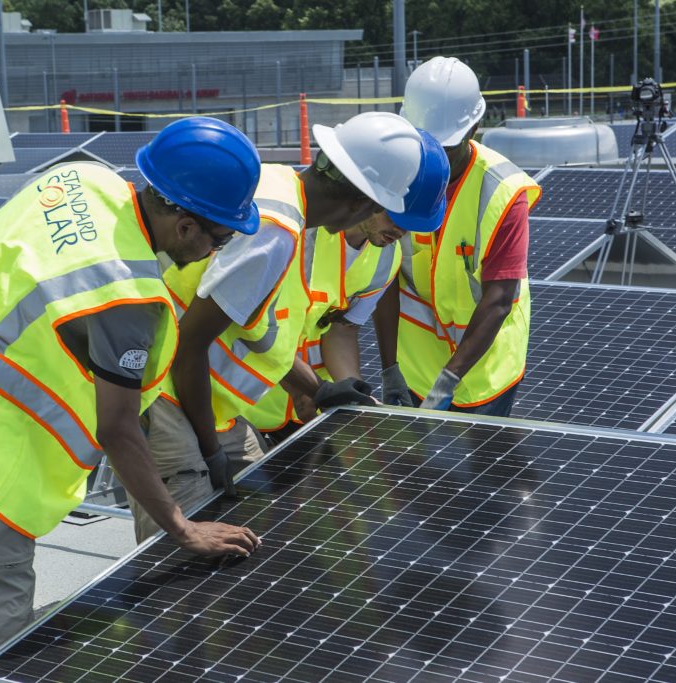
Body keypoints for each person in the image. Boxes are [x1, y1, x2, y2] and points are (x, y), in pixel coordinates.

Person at [0, 117, 264, 683]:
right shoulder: (126, 293)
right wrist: (179, 526)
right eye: (219, 238)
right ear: (185, 226)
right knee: (2, 621)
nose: (215, 252)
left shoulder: (80, 182)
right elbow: (118, 428)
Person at [128, 112, 426, 541]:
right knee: (190, 551)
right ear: (364, 202)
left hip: (209, 401)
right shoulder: (276, 231)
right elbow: (190, 346)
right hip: (168, 397)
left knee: (253, 524)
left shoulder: (282, 192)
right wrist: (212, 453)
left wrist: (318, 389)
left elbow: (255, 329)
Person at [243, 130, 451, 437]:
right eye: (398, 219)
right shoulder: (294, 230)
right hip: (246, 401)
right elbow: (247, 320)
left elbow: (342, 329)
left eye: (411, 227)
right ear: (372, 198)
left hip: (308, 406)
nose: (402, 234)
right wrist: (309, 389)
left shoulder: (385, 257)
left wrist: (354, 399)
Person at [375, 56, 541, 417]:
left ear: (474, 128)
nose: (433, 156)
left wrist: (448, 380)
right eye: (424, 142)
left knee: (486, 471)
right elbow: (384, 276)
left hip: (485, 366)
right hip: (414, 362)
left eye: (445, 145)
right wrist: (389, 368)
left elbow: (498, 300)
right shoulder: (397, 174)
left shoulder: (502, 192)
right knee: (414, 473)